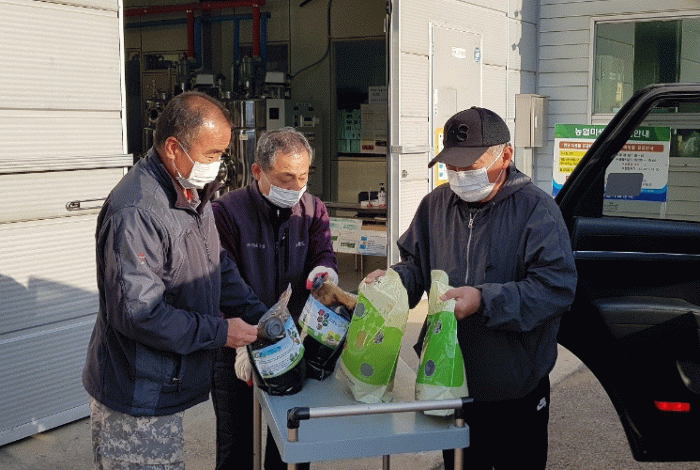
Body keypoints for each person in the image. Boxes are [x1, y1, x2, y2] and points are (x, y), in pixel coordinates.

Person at [365, 107, 577, 470]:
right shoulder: (435, 205)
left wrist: (485, 300)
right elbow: (416, 264)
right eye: (452, 166)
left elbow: (555, 288)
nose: (460, 175)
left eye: (470, 166)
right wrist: (394, 281)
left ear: (505, 155)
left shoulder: (537, 210)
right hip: (447, 383)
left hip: (515, 387)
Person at [83, 91, 268, 469]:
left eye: (222, 154)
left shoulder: (191, 191)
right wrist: (221, 332)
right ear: (173, 148)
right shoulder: (136, 212)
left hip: (166, 383)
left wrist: (259, 315)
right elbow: (139, 314)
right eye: (212, 154)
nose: (217, 166)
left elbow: (216, 265)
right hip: (138, 394)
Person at [211, 126, 337, 470]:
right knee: (236, 445)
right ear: (258, 171)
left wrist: (324, 271)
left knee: (292, 442)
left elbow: (324, 254)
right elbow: (216, 282)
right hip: (238, 342)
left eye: (303, 176)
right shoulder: (225, 213)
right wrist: (241, 339)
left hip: (294, 343)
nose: (296, 187)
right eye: (285, 178)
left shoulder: (313, 209)